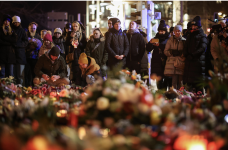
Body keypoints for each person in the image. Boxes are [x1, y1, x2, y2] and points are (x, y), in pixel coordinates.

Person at [183, 16, 207, 92]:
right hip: (189, 63)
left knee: (198, 86)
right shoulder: (190, 35)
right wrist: (186, 54)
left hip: (197, 63)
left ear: (198, 26)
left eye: (195, 26)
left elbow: (202, 48)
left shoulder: (202, 35)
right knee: (190, 85)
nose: (193, 27)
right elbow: (186, 46)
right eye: (192, 26)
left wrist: (193, 55)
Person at [146, 20, 170, 89]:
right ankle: (160, 93)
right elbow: (148, 49)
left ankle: (165, 93)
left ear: (165, 31)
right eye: (159, 31)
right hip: (156, 63)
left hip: (165, 62)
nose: (160, 32)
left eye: (162, 31)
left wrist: (160, 45)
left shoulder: (168, 39)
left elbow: (167, 48)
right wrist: (150, 43)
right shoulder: (155, 38)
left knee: (165, 79)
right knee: (158, 80)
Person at [164, 25, 186, 89]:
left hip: (180, 63)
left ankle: (181, 96)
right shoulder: (170, 40)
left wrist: (181, 54)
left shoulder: (184, 41)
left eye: (179, 31)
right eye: (176, 31)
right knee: (174, 82)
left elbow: (186, 51)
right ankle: (174, 96)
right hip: (172, 63)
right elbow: (165, 51)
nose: (177, 33)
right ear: (174, 32)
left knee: (180, 82)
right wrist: (171, 53)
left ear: (181, 32)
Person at [66, 21, 87, 85]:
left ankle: (78, 84)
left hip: (79, 54)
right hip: (72, 54)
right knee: (72, 70)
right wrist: (71, 37)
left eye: (76, 26)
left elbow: (85, 45)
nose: (74, 28)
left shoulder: (82, 34)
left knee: (79, 69)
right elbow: (66, 43)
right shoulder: (70, 33)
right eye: (73, 26)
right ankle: (73, 83)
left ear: (79, 26)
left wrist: (79, 44)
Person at [11, 16, 29, 85]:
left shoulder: (22, 31)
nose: (16, 24)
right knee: (13, 75)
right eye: (15, 22)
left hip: (21, 55)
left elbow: (26, 42)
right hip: (12, 55)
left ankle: (21, 89)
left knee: (20, 75)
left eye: (17, 22)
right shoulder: (11, 30)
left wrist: (18, 44)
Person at [25, 22, 42, 86]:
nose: (32, 30)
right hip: (26, 57)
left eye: (34, 28)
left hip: (35, 58)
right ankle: (26, 87)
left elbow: (41, 46)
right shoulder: (25, 35)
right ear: (28, 28)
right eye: (31, 28)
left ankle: (34, 87)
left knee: (34, 73)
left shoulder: (38, 36)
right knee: (26, 73)